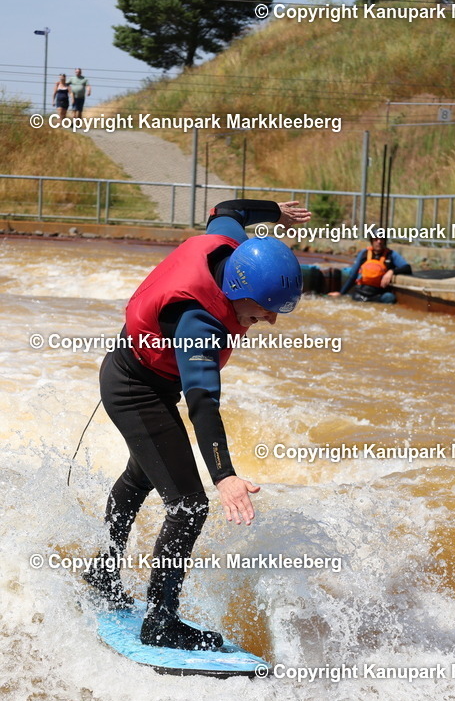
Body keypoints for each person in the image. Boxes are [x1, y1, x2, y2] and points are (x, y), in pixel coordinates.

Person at [84, 199, 311, 650]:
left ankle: (102, 573)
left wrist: (274, 212)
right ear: (238, 288)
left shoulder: (232, 250)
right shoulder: (198, 321)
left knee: (141, 474)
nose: (268, 319)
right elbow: (203, 403)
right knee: (189, 505)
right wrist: (224, 476)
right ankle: (160, 622)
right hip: (134, 388)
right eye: (265, 308)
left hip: (146, 376)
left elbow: (227, 209)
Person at [330, 229, 412, 304]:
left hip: (379, 294)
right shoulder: (364, 253)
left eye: (381, 239)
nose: (379, 241)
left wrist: (391, 271)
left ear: (385, 241)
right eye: (376, 239)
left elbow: (407, 268)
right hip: (361, 293)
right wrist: (341, 293)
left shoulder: (391, 254)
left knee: (389, 297)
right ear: (371, 241)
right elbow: (353, 276)